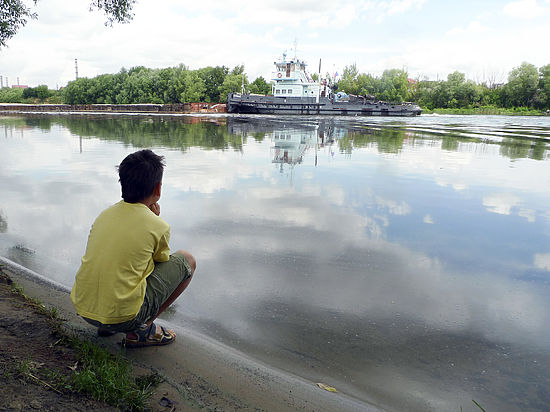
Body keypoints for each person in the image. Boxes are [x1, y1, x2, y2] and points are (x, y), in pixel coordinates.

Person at [70, 149, 196, 347]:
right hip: (124, 317)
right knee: (187, 260)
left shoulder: (104, 215)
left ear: (122, 183)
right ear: (158, 189)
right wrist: (153, 219)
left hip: (85, 309)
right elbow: (158, 263)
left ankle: (106, 326)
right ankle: (142, 329)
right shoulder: (157, 225)